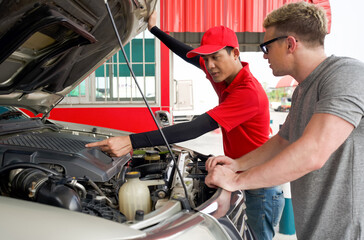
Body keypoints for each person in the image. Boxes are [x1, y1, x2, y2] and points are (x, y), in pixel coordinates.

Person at [86, 12, 284, 239]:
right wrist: (154, 30)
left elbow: (196, 127)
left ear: (235, 54)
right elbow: (186, 54)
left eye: (215, 57)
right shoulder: (224, 75)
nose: (209, 66)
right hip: (241, 170)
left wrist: (130, 141)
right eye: (206, 59)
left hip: (262, 184)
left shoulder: (248, 92)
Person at [205, 2, 364, 240]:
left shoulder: (345, 74)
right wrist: (237, 164)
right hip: (313, 227)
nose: (264, 54)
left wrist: (237, 181)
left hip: (346, 231)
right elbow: (282, 141)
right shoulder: (301, 91)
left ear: (290, 44)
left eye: (266, 46)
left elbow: (313, 152)